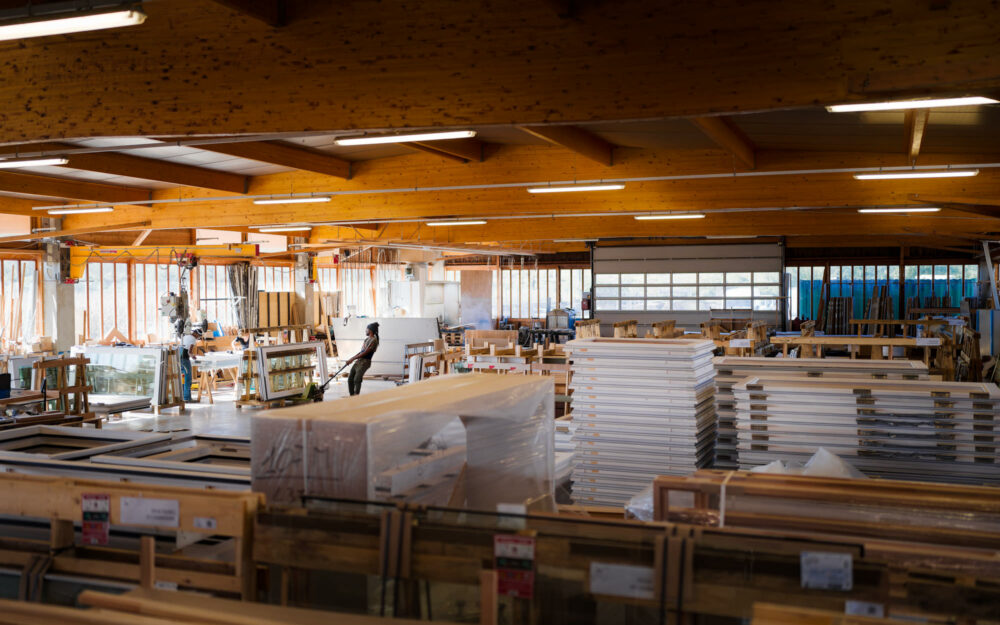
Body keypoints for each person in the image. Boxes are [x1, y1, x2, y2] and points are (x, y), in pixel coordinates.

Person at [346, 322, 379, 396]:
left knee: (357, 379)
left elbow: (365, 353)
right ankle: (352, 396)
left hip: (365, 362)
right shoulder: (367, 339)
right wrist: (352, 359)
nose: (365, 331)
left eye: (366, 329)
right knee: (350, 378)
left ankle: (356, 396)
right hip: (359, 360)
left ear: (370, 330)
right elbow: (361, 352)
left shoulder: (374, 340)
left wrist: (352, 359)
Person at [180, 328, 202, 402]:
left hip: (179, 358)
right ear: (196, 333)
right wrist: (194, 356)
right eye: (198, 336)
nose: (197, 338)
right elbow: (189, 352)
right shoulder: (193, 339)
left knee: (182, 378)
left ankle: (182, 397)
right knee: (188, 378)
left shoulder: (186, 336)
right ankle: (187, 398)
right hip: (185, 359)